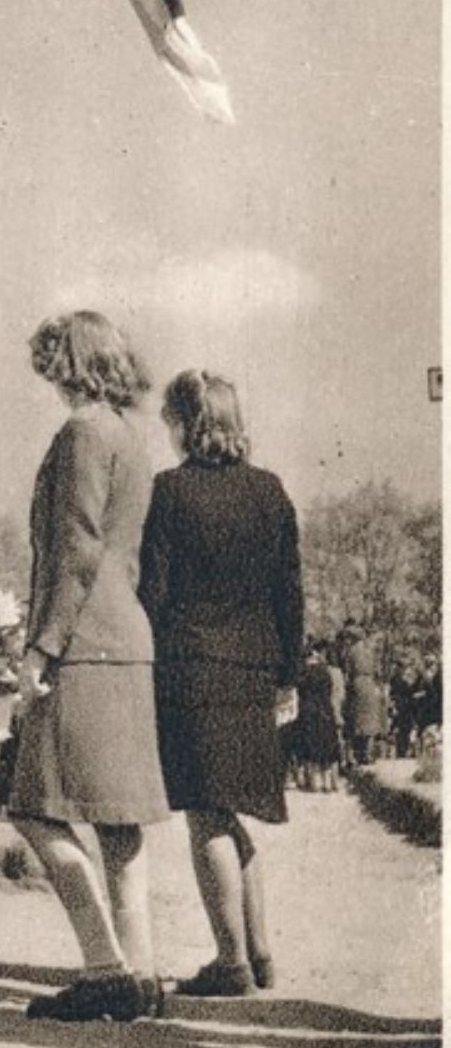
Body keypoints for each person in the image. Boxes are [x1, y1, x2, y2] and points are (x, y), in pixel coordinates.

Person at [10, 310, 169, 1024]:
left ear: (68, 362)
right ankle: (142, 973)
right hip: (125, 639)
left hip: (82, 644)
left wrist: (41, 646)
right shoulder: (130, 437)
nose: (44, 376)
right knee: (117, 823)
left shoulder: (80, 433)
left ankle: (104, 971)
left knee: (35, 809)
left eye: (50, 361)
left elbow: (73, 550)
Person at [140, 370, 304, 997]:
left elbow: (153, 593)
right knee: (234, 812)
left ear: (184, 423)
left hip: (190, 671)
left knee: (205, 816)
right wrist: (287, 674)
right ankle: (259, 953)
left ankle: (230, 962)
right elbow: (290, 594)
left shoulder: (170, 492)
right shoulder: (271, 491)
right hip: (253, 671)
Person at [293, 642, 341, 791]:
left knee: (310, 746)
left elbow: (300, 691)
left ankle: (314, 782)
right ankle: (328, 782)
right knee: (327, 746)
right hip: (325, 710)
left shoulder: (304, 673)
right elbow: (329, 690)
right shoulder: (325, 672)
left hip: (308, 711)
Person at [342, 625, 387, 766]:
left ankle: (358, 755)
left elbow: (347, 673)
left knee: (357, 721)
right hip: (370, 684)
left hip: (358, 684)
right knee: (371, 720)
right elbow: (378, 669)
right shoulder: (370, 650)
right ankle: (368, 754)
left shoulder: (351, 651)